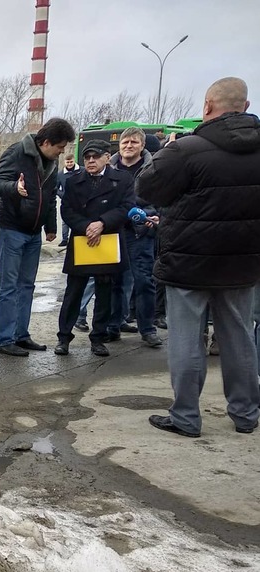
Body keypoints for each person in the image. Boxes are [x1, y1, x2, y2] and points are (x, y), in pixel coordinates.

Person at [138, 77, 260, 436]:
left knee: (187, 338)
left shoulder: (186, 149)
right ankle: (246, 414)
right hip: (243, 261)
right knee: (239, 336)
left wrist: (164, 153)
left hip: (188, 261)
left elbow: (146, 187)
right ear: (246, 107)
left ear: (207, 107)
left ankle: (186, 417)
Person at [0, 117, 76, 356]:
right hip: (11, 227)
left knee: (27, 285)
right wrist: (14, 190)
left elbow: (49, 197)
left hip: (34, 232)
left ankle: (21, 334)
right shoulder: (16, 153)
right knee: (8, 286)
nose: (62, 151)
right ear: (46, 142)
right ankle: (4, 339)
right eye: (60, 146)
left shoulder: (51, 161)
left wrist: (50, 226)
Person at [54, 139, 136, 357]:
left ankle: (98, 337)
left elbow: (127, 207)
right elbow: (67, 210)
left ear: (107, 158)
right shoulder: (74, 181)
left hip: (107, 241)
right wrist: (85, 227)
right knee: (73, 293)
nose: (90, 161)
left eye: (95, 157)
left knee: (104, 293)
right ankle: (64, 337)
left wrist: (102, 223)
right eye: (87, 157)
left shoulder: (122, 179)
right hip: (82, 240)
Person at [106, 126, 163, 348]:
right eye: (125, 143)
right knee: (114, 283)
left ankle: (147, 328)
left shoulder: (152, 170)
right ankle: (113, 325)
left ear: (142, 146)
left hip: (140, 233)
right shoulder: (108, 168)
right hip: (114, 232)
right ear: (119, 146)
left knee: (144, 282)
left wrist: (149, 215)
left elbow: (160, 201)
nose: (129, 146)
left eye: (134, 143)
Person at [57, 153, 79, 247]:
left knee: (79, 219)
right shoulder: (60, 174)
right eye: (68, 162)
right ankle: (65, 239)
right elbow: (56, 188)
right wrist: (63, 195)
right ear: (64, 162)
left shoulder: (81, 171)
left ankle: (76, 237)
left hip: (79, 200)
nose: (69, 164)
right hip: (66, 201)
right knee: (65, 221)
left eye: (71, 162)